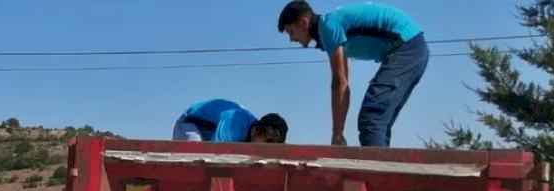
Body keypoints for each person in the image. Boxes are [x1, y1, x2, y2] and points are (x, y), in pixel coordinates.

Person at [277, 1, 429, 147]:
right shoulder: (329, 29)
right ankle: (384, 166)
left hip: (407, 47)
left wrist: (337, 134)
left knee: (372, 116)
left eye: (291, 31)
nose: (291, 39)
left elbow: (340, 83)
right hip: (407, 49)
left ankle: (376, 172)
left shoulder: (328, 26)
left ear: (304, 23)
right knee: (378, 120)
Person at [172, 99, 289, 143]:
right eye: (262, 132)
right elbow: (215, 153)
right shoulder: (234, 126)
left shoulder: (248, 132)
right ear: (258, 129)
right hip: (190, 124)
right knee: (194, 155)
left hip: (210, 132)